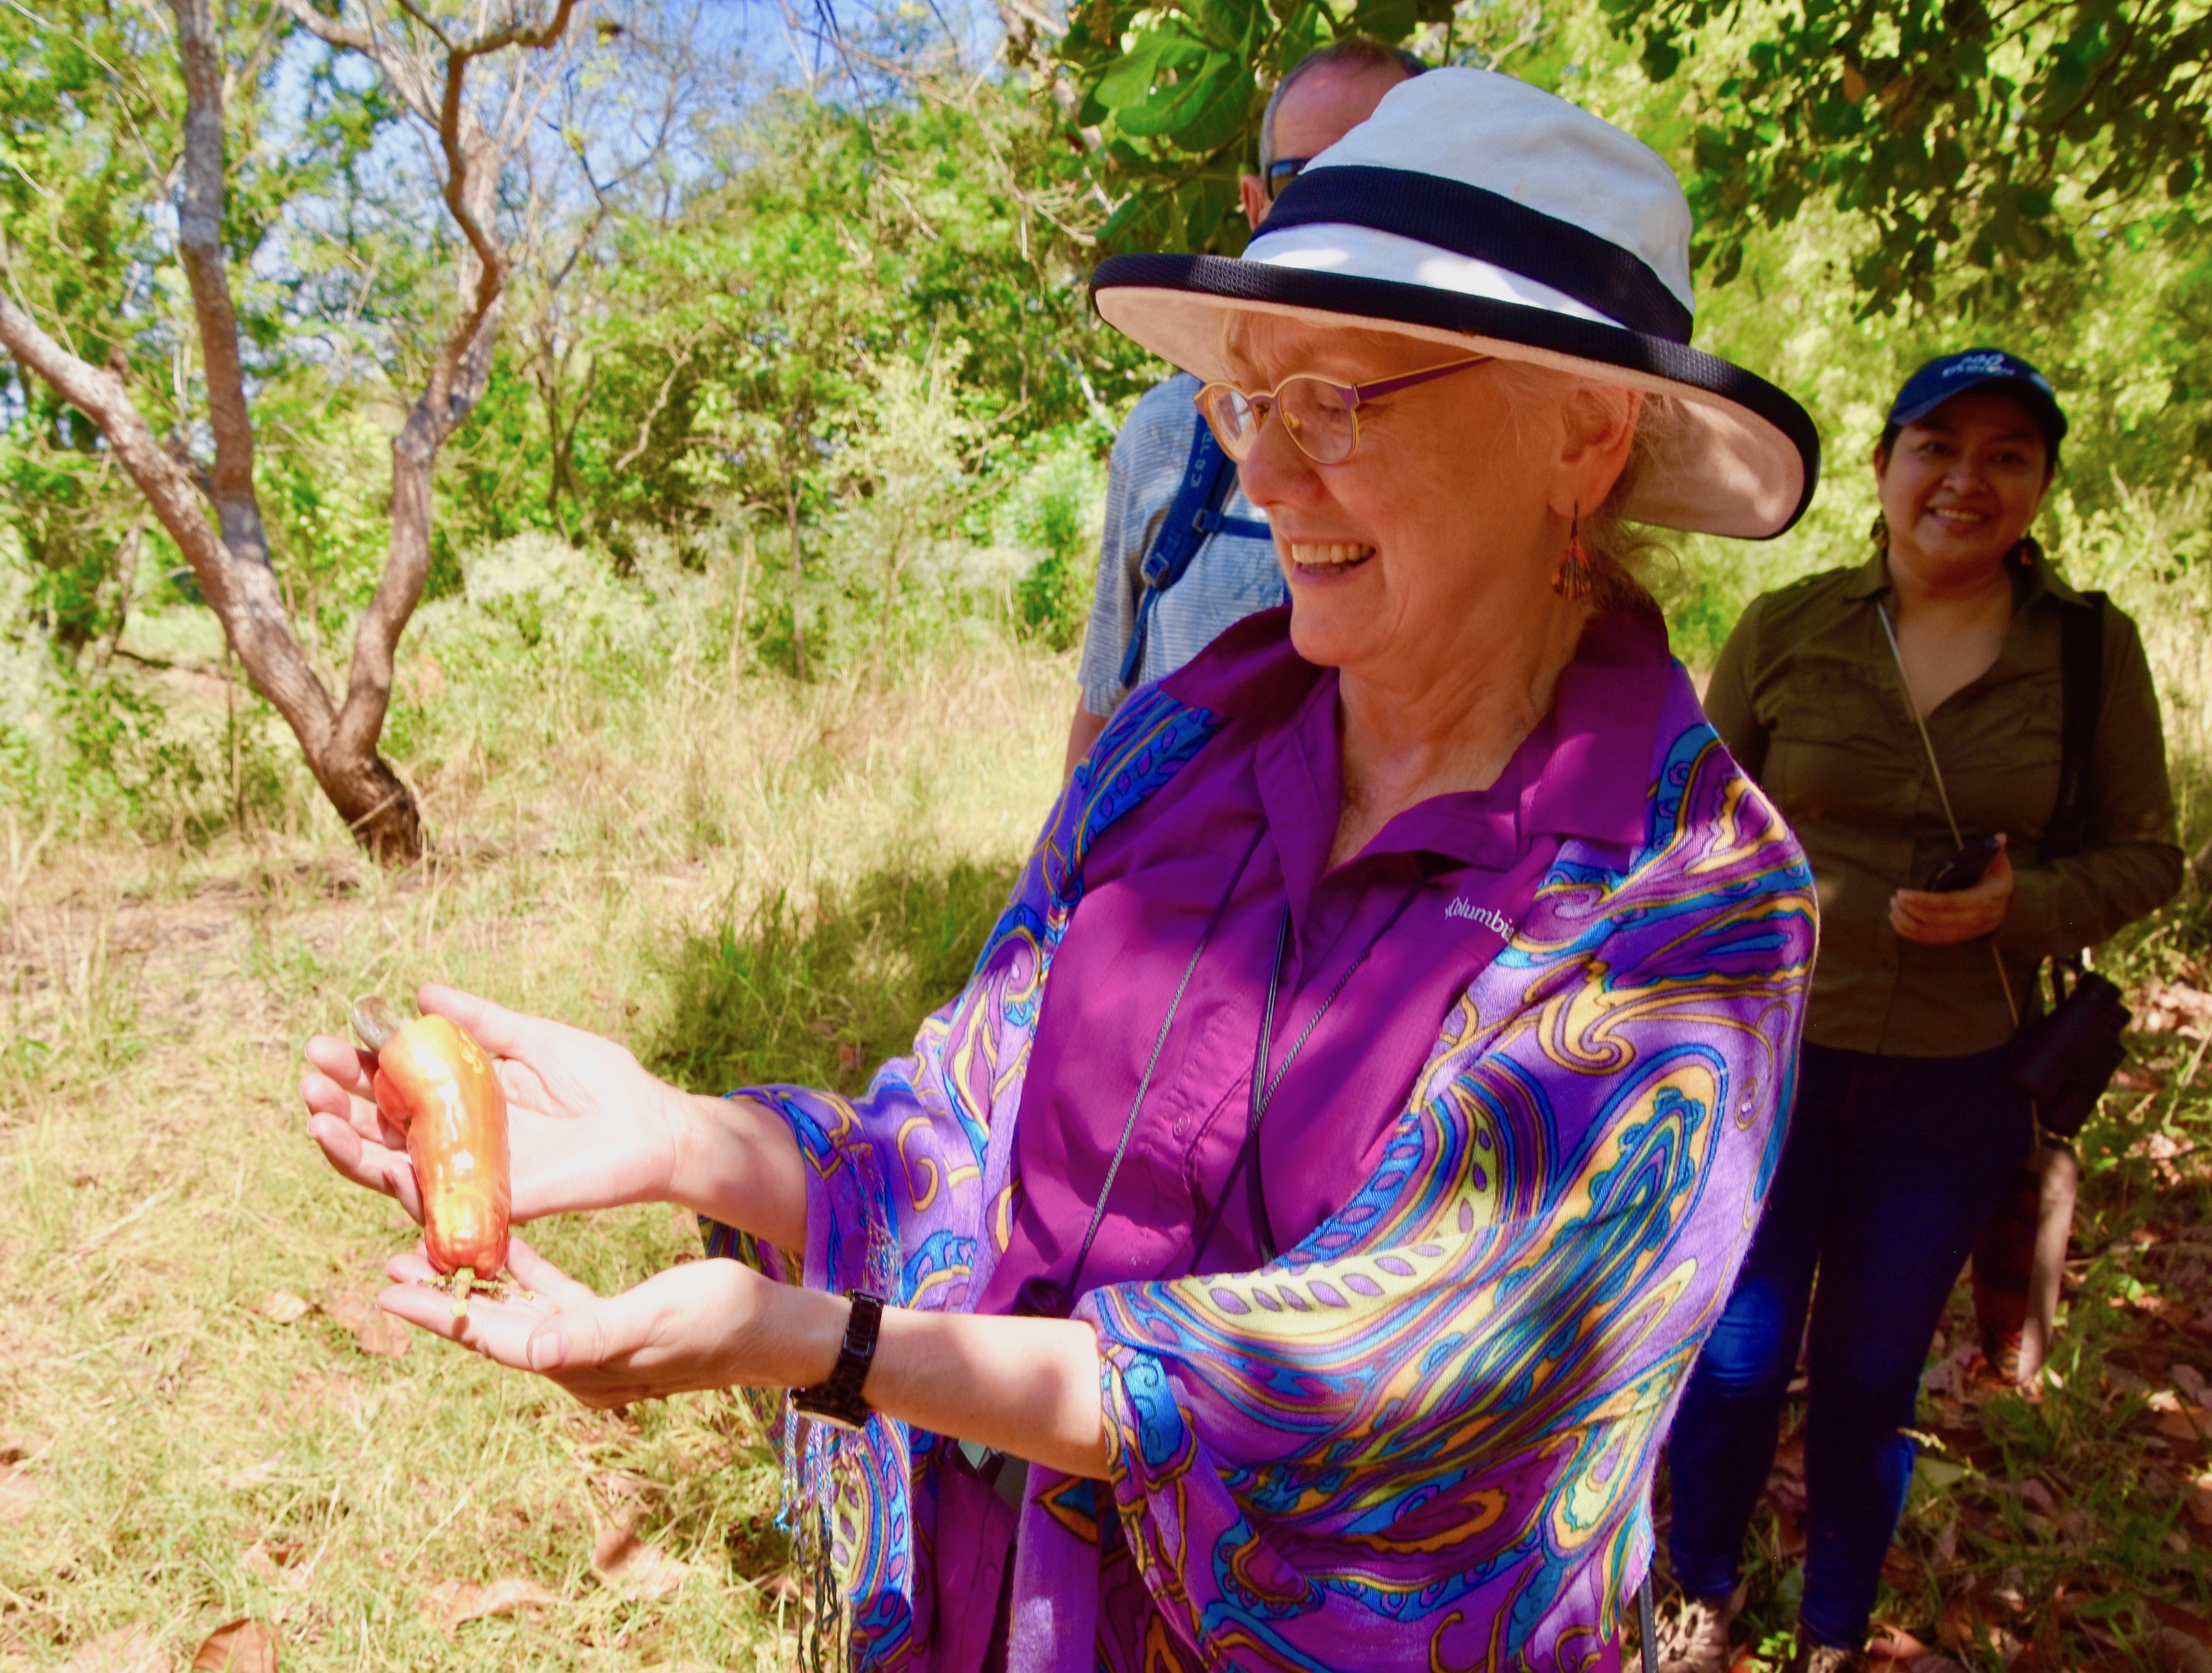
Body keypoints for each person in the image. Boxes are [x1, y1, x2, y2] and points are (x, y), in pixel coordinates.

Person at [302, 69, 1824, 1671]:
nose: (1265, 477)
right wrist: (687, 1143)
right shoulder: (1181, 746)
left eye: (1338, 405)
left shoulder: (1684, 900)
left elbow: (1397, 1370)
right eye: (1253, 399)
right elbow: (964, 1130)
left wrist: (825, 1345)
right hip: (1009, 1606)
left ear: (1579, 436)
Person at [1664, 349, 2183, 1672]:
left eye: (2006, 453)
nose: (1966, 478)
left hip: (1956, 1077)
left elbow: (2144, 855)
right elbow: (1696, 828)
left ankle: (1832, 1628)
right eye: (1936, 445)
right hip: (1774, 1053)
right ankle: (1694, 1593)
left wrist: (2017, 903)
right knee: (1729, 1358)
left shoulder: (2087, 653)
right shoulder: (1788, 626)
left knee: (1867, 1373)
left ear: (2040, 485)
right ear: (1885, 464)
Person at [1064, 37, 1419, 773]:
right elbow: (1105, 696)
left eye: (1383, 177)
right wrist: (1051, 882)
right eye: (1304, 182)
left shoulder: (1487, 436)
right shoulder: (1169, 429)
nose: (1342, 217)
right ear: (1255, 204)